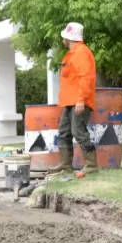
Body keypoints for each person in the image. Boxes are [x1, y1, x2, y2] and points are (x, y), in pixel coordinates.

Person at [48, 22, 97, 175]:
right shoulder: (72, 53)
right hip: (70, 101)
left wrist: (81, 99)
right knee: (64, 132)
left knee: (78, 131)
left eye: (64, 37)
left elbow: (86, 77)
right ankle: (64, 165)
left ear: (68, 38)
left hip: (78, 101)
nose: (62, 40)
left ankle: (91, 165)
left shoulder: (81, 52)